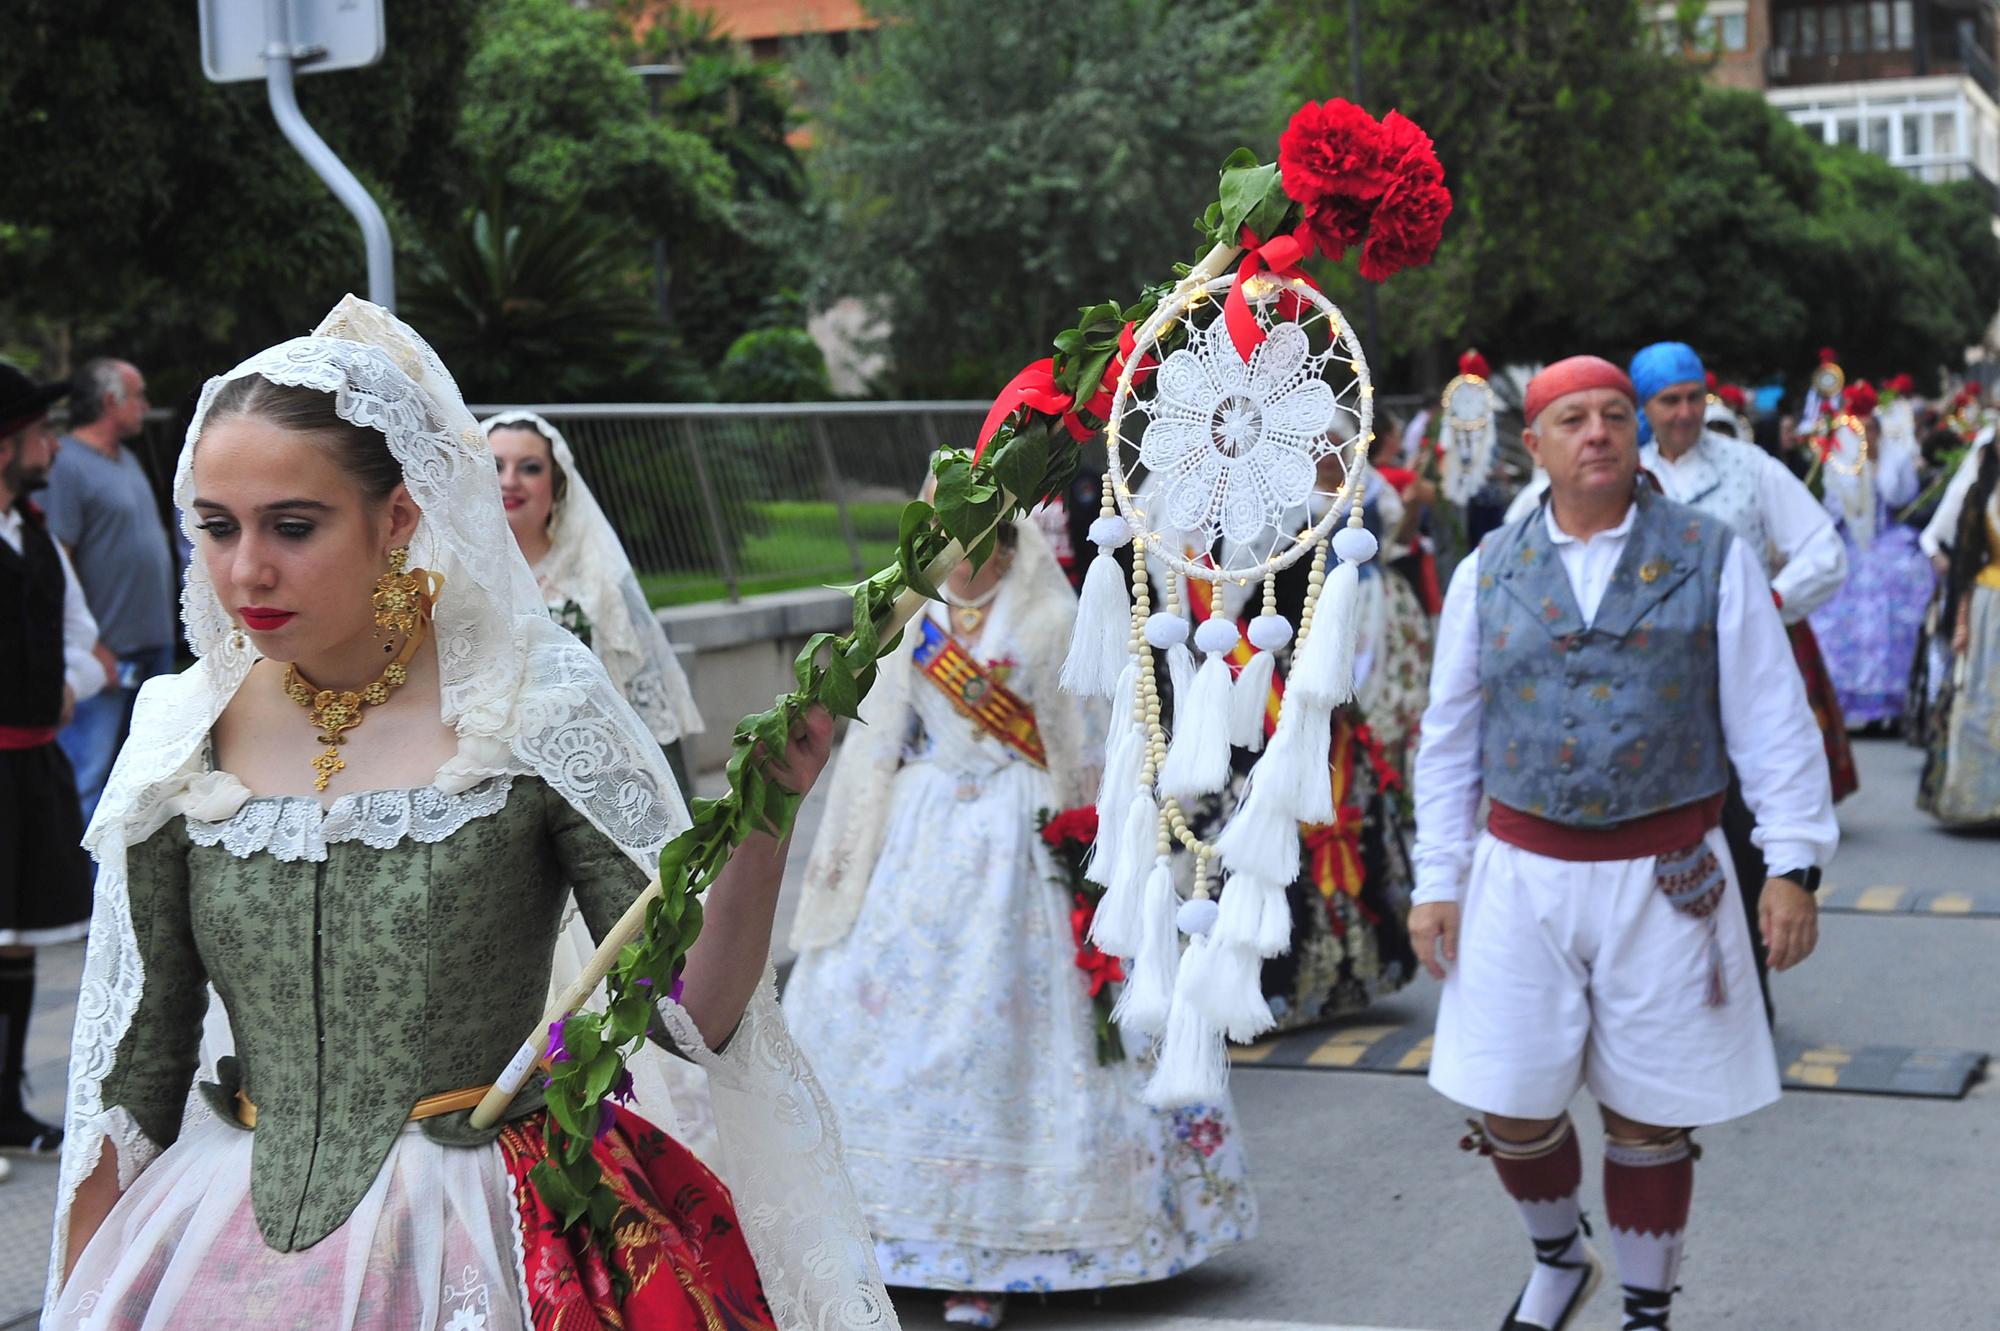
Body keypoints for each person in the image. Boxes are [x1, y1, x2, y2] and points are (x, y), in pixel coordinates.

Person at [47, 298, 895, 1331]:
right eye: (217, 528)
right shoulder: (179, 732)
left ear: (397, 519)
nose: (246, 570)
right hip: (220, 1238)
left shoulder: (526, 709)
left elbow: (684, 1013)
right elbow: (134, 1079)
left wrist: (765, 820)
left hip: (485, 1233)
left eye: (292, 525)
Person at [1409, 357, 1836, 1331]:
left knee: (1648, 1110)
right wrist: (1438, 877)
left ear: (1637, 434)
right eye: (1572, 418)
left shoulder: (1711, 552)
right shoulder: (1486, 570)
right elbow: (1446, 736)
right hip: (1517, 873)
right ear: (1537, 445)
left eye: (1613, 415)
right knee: (1506, 1096)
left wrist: (1792, 865)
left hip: (1668, 875)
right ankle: (1559, 1258)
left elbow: (1773, 719)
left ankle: (1646, 1308)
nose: (1596, 430)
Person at [784, 510, 1254, 1329]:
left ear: (1003, 539)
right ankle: (899, 1233)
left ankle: (1016, 1247)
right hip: (922, 835)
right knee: (894, 1017)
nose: (952, 548)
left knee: (1025, 1031)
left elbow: (1086, 742)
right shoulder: (908, 617)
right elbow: (880, 741)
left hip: (1029, 826)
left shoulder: (1052, 615)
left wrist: (1106, 857)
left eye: (968, 532)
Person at [1625, 341, 1853, 1014]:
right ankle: (1665, 990)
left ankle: (1750, 988)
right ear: (1645, 407)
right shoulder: (1620, 473)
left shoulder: (1749, 467)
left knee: (1743, 830)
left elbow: (1824, 550)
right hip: (1648, 692)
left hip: (1735, 686)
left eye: (1697, 396)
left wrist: (1769, 605)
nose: (1687, 412)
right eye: (1671, 400)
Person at [0, 365, 113, 1176]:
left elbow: (88, 640)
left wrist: (67, 684)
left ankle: (7, 1105)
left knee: (19, 938)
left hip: (30, 763)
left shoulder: (32, 530)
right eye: (40, 432)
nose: (51, 445)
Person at [482, 410, 704, 795]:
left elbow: (642, 702)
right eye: (495, 465)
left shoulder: (600, 585)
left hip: (589, 778)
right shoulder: (448, 580)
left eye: (530, 468)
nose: (509, 481)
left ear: (558, 485)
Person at [44, 357, 179, 825]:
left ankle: (121, 885)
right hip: (106, 653)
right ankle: (78, 894)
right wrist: (90, 646)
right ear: (109, 402)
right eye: (138, 395)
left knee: (141, 777)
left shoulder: (126, 459)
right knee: (90, 776)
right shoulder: (65, 464)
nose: (145, 405)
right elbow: (55, 562)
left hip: (150, 644)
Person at [1807, 384, 1936, 731]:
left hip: (1886, 540)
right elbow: (1832, 507)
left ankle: (1890, 706)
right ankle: (1843, 704)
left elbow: (1902, 495)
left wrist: (1877, 465)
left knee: (1904, 583)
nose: (1866, 435)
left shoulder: (1893, 458)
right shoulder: (1840, 461)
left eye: (1872, 429)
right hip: (1850, 542)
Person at [1918, 431, 2000, 824]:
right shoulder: (1980, 496)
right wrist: (1962, 623)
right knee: (1979, 700)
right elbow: (1965, 564)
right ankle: (1978, 800)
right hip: (1989, 606)